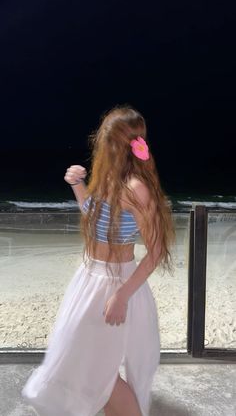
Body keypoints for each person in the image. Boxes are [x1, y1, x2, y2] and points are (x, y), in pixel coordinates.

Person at [21, 104, 176, 416]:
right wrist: (78, 186)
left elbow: (156, 251)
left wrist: (122, 295)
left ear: (120, 144)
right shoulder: (108, 177)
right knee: (91, 370)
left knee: (100, 376)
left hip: (115, 285)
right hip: (89, 279)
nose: (101, 147)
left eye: (106, 141)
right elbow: (96, 218)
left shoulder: (136, 188)